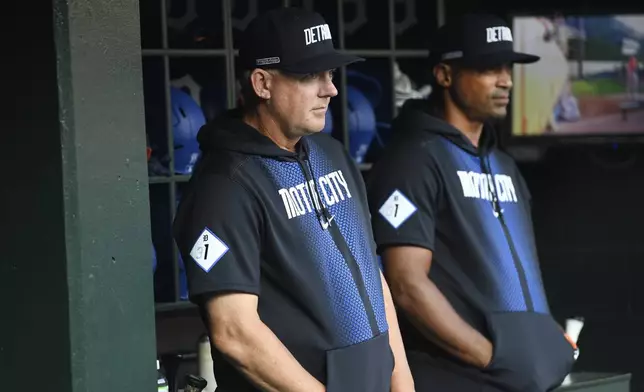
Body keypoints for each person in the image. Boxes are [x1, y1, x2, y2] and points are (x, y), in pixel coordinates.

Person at [173, 7, 414, 392]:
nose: (330, 89)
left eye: (330, 73)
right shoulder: (224, 186)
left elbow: (372, 276)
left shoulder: (332, 154)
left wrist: (402, 383)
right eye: (309, 76)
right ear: (262, 83)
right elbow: (235, 331)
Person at [366, 14, 575, 392]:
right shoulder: (412, 160)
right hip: (458, 378)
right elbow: (405, 283)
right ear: (445, 75)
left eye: (508, 68)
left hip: (524, 381)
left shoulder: (504, 164)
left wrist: (543, 340)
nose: (506, 80)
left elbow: (518, 276)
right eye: (488, 68)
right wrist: (493, 358)